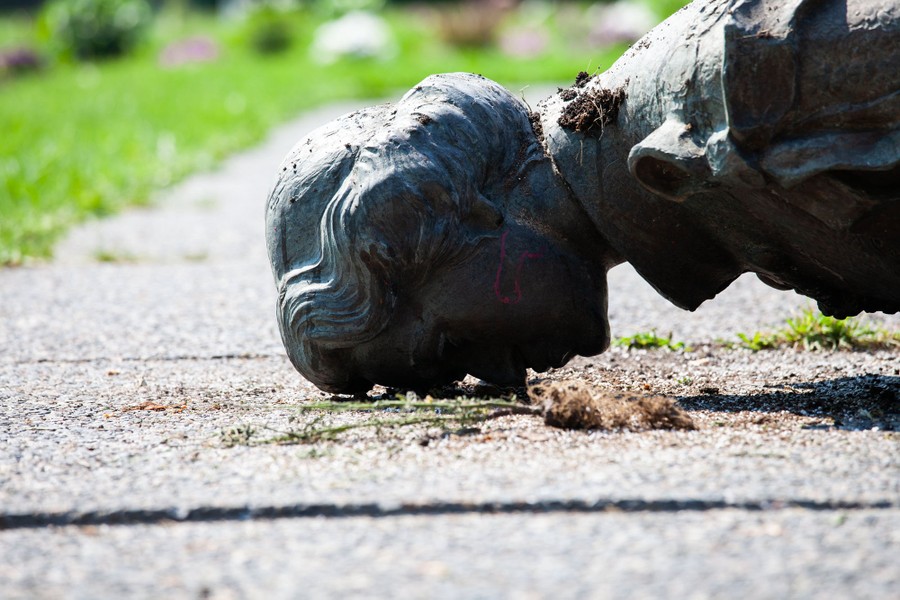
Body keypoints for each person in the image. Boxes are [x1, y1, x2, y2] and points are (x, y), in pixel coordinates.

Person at [267, 0, 900, 393]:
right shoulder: (704, 166)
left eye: (451, 350)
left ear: (464, 213)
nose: (505, 379)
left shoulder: (755, 84)